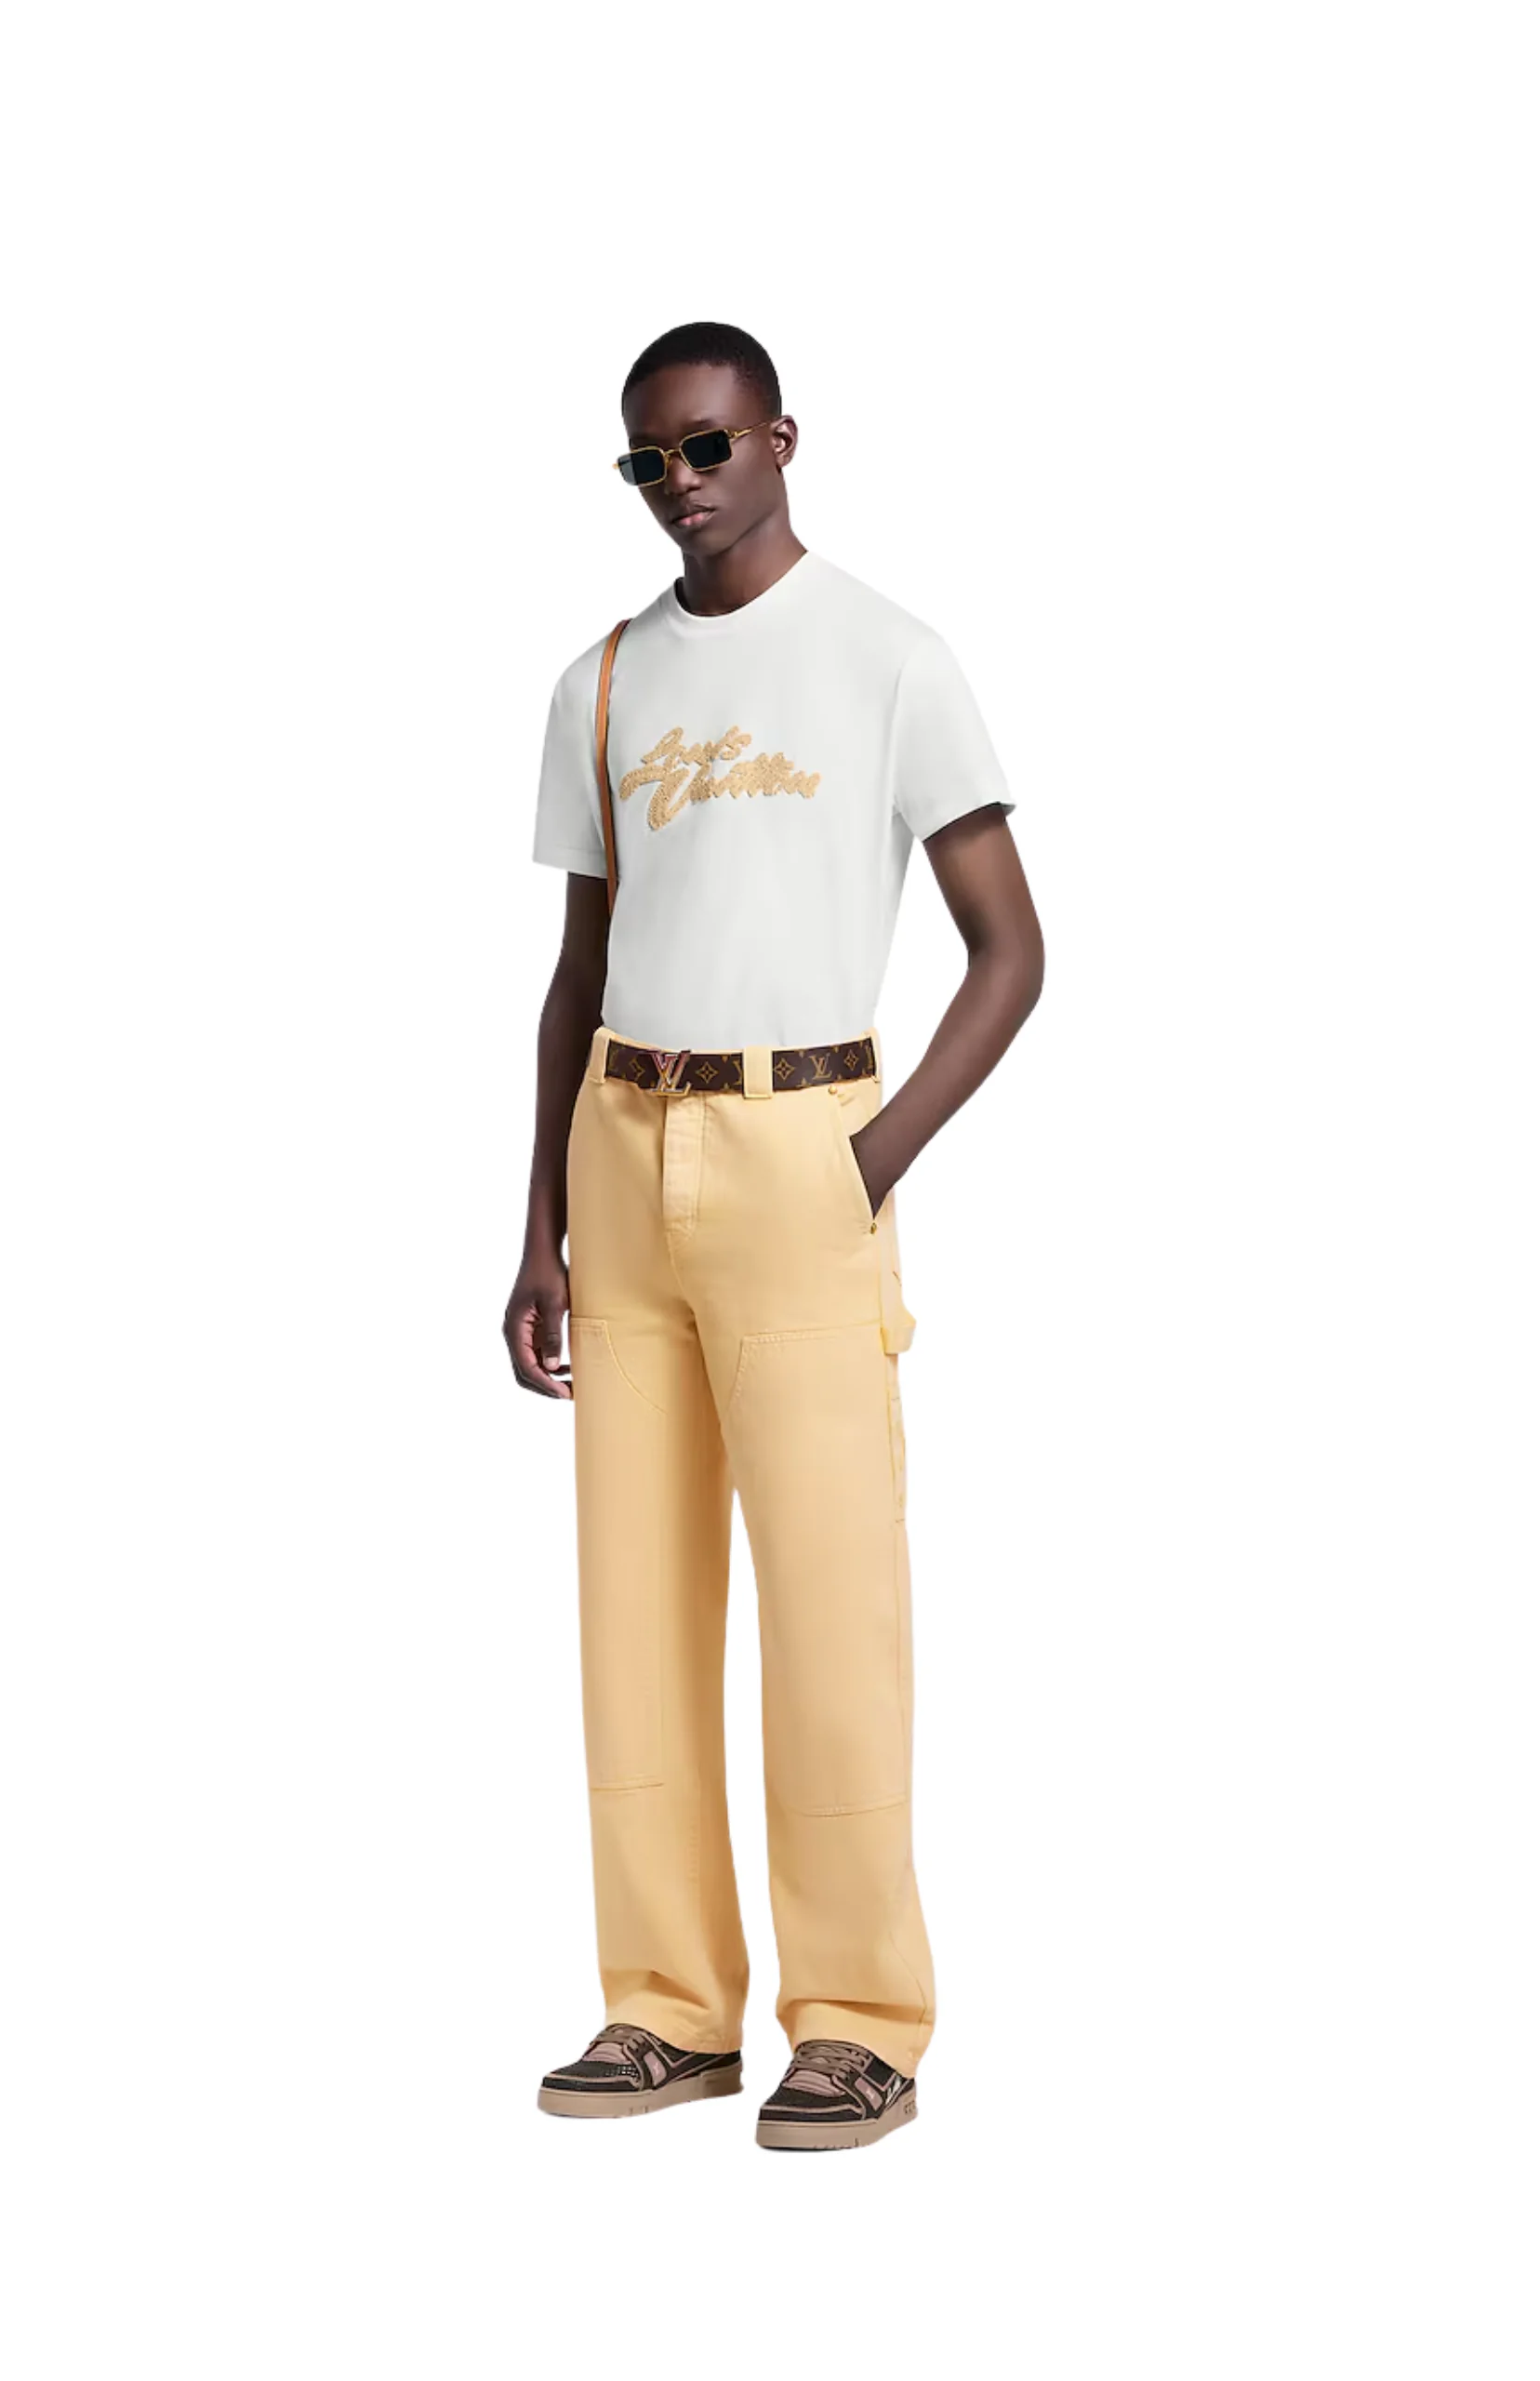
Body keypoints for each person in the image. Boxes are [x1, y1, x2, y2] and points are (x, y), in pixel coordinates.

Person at [506, 321, 1043, 2151]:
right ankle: (667, 2003)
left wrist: (869, 1155)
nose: (681, 482)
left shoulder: (890, 657)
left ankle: (858, 2018)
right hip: (622, 1147)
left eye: (709, 446)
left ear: (780, 438)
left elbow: (1009, 949)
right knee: (634, 1607)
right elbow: (575, 970)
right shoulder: (600, 681)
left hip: (803, 1148)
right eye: (648, 459)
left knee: (830, 1607)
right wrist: (538, 1226)